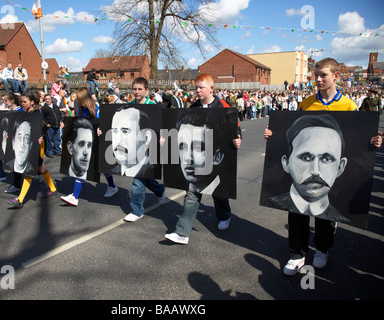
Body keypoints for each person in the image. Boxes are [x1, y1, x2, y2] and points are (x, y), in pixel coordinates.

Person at [264, 57, 383, 275]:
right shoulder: (306, 103)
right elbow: (290, 132)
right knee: (297, 210)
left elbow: (357, 139)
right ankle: (296, 254)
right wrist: (274, 134)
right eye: (315, 75)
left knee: (325, 214)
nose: (318, 79)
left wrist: (373, 140)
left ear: (336, 76)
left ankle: (322, 249)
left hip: (329, 169)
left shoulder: (348, 105)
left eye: (323, 75)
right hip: (303, 169)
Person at [164, 73, 242, 245]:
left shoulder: (222, 106)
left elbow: (235, 127)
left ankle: (225, 215)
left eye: (201, 87)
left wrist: (238, 138)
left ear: (211, 88)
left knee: (218, 192)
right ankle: (182, 232)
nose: (197, 91)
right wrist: (167, 138)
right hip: (196, 158)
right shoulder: (193, 107)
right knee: (192, 193)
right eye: (196, 87)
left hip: (214, 157)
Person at [270, 114, 349, 223]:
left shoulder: (342, 217)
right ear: (286, 162)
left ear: (340, 167)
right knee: (297, 236)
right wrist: (271, 134)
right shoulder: (272, 202)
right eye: (306, 157)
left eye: (326, 159)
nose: (315, 171)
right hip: (295, 219)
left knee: (325, 238)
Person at [60, 87, 118, 207]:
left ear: (85, 99)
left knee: (102, 167)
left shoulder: (97, 109)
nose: (77, 101)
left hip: (99, 141)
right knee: (86, 168)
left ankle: (112, 186)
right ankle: (75, 196)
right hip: (89, 142)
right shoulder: (82, 110)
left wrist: (101, 129)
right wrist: (66, 125)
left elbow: (108, 123)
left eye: (80, 99)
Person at [122, 77, 166, 222]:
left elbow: (163, 125)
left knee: (138, 178)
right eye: (134, 89)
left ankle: (136, 210)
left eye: (140, 89)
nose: (136, 92)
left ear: (146, 90)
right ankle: (159, 190)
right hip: (134, 146)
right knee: (143, 176)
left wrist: (162, 137)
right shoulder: (129, 106)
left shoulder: (153, 106)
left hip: (150, 146)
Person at [7, 92, 58, 209]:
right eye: (21, 102)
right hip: (26, 146)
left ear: (32, 102)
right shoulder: (22, 115)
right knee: (41, 168)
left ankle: (20, 200)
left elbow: (42, 128)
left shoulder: (37, 114)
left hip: (36, 146)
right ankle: (53, 188)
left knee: (29, 170)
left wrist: (41, 137)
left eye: (24, 102)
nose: (22, 104)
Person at [110, 105, 157, 178]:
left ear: (146, 138)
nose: (118, 139)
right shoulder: (113, 171)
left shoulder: (153, 171)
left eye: (125, 131)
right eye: (114, 131)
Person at [1, 93, 23, 194]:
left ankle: (17, 184)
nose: (4, 103)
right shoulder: (11, 112)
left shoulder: (20, 112)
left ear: (12, 100)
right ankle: (17, 184)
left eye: (5, 100)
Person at [42, 94, 63, 158]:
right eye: (46, 99)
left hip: (57, 125)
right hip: (50, 127)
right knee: (49, 140)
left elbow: (59, 114)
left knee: (57, 139)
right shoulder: (44, 108)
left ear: (51, 99)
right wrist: (46, 124)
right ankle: (49, 152)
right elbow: (42, 118)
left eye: (48, 99)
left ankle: (58, 151)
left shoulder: (55, 106)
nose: (47, 100)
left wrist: (60, 121)